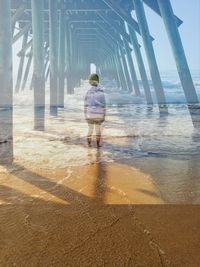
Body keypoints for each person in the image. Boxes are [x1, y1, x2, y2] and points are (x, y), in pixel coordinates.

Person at [84, 74, 106, 148]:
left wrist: (85, 115)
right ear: (98, 81)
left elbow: (85, 105)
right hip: (98, 114)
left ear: (90, 82)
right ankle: (97, 145)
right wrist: (104, 115)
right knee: (98, 130)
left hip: (90, 114)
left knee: (90, 129)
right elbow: (103, 104)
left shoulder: (88, 92)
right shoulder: (101, 91)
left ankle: (89, 144)